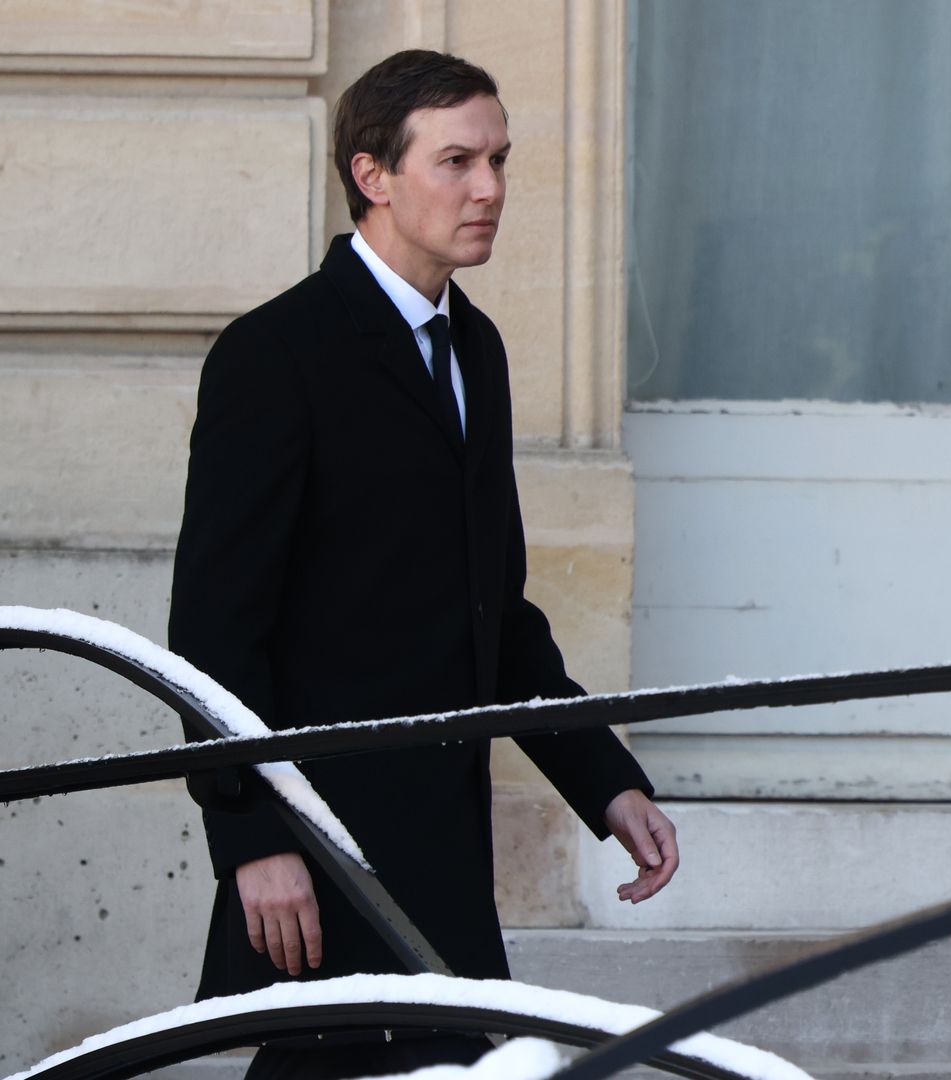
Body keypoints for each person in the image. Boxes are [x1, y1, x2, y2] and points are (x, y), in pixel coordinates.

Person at [168, 49, 679, 1078]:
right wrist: (252, 839)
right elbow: (215, 630)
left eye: (497, 159)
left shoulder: (474, 352)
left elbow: (496, 614)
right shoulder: (275, 355)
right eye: (456, 161)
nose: (488, 188)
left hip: (442, 851)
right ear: (374, 175)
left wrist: (606, 780)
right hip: (322, 851)